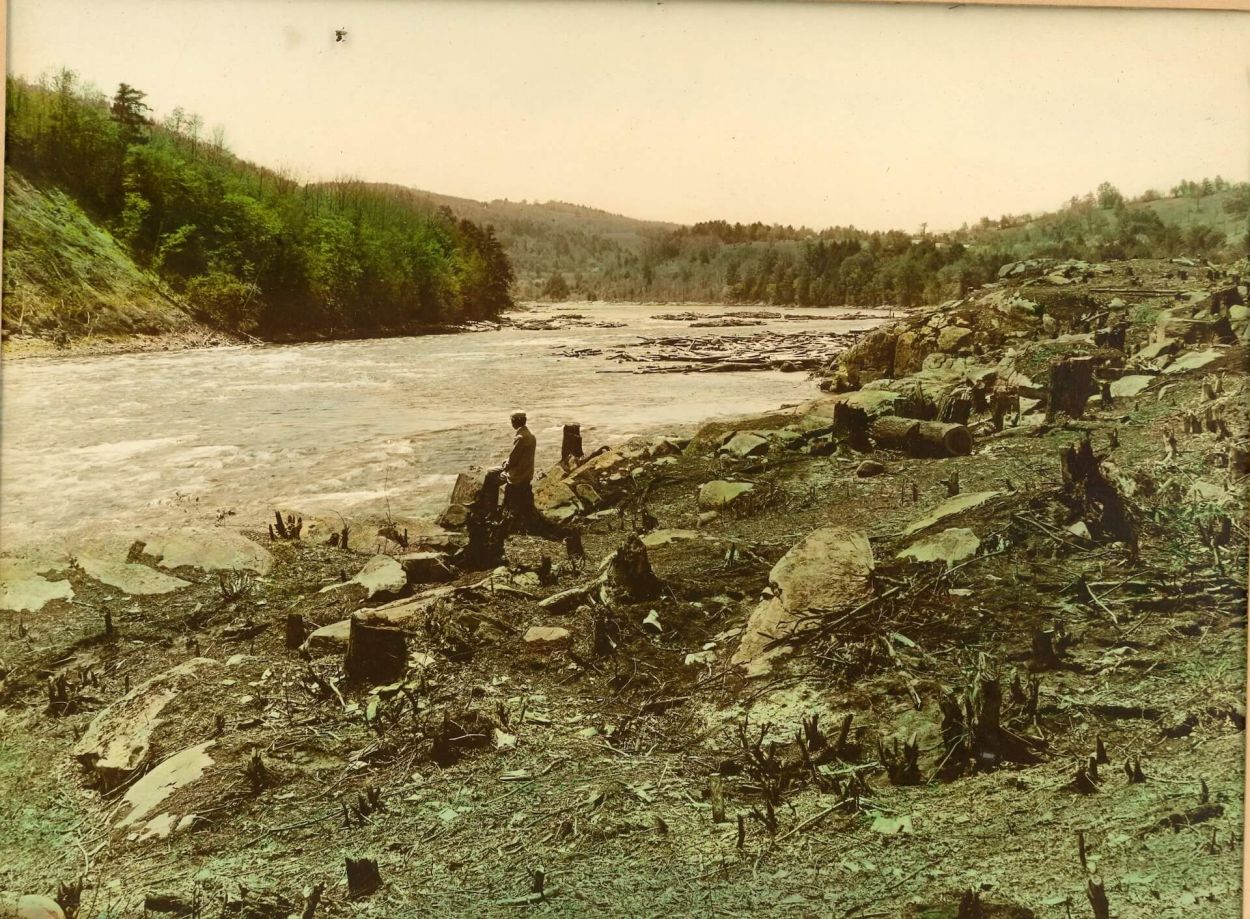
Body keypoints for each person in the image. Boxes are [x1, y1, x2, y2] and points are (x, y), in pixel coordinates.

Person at [481, 411, 537, 517]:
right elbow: (519, 456)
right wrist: (507, 463)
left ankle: (489, 508)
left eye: (512, 420)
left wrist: (505, 465)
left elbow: (512, 460)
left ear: (515, 422)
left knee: (489, 475)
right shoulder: (530, 435)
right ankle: (488, 507)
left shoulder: (521, 437)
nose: (511, 423)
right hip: (526, 471)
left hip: (518, 474)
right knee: (493, 472)